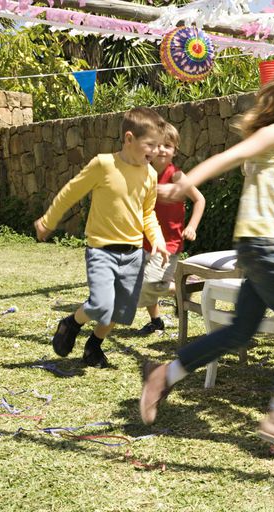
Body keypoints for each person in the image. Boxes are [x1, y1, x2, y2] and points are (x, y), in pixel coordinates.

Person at [138, 66, 274, 452]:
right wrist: (185, 185)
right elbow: (228, 157)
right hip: (264, 245)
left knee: (241, 331)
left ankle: (163, 375)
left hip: (262, 245)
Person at [34, 107, 169, 369]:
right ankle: (71, 323)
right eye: (150, 144)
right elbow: (70, 192)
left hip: (132, 253)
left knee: (118, 312)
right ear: (129, 139)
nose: (155, 151)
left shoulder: (150, 175)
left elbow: (148, 213)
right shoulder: (104, 164)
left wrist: (158, 240)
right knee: (101, 304)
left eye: (159, 145)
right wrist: (48, 221)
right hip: (102, 250)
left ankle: (93, 347)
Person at [137, 123, 205, 335]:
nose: (163, 150)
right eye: (159, 145)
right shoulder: (143, 174)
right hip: (144, 238)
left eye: (169, 145)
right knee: (143, 278)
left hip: (169, 242)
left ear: (175, 150)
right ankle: (156, 320)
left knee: (149, 282)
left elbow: (199, 199)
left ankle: (183, 287)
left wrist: (192, 226)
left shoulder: (175, 175)